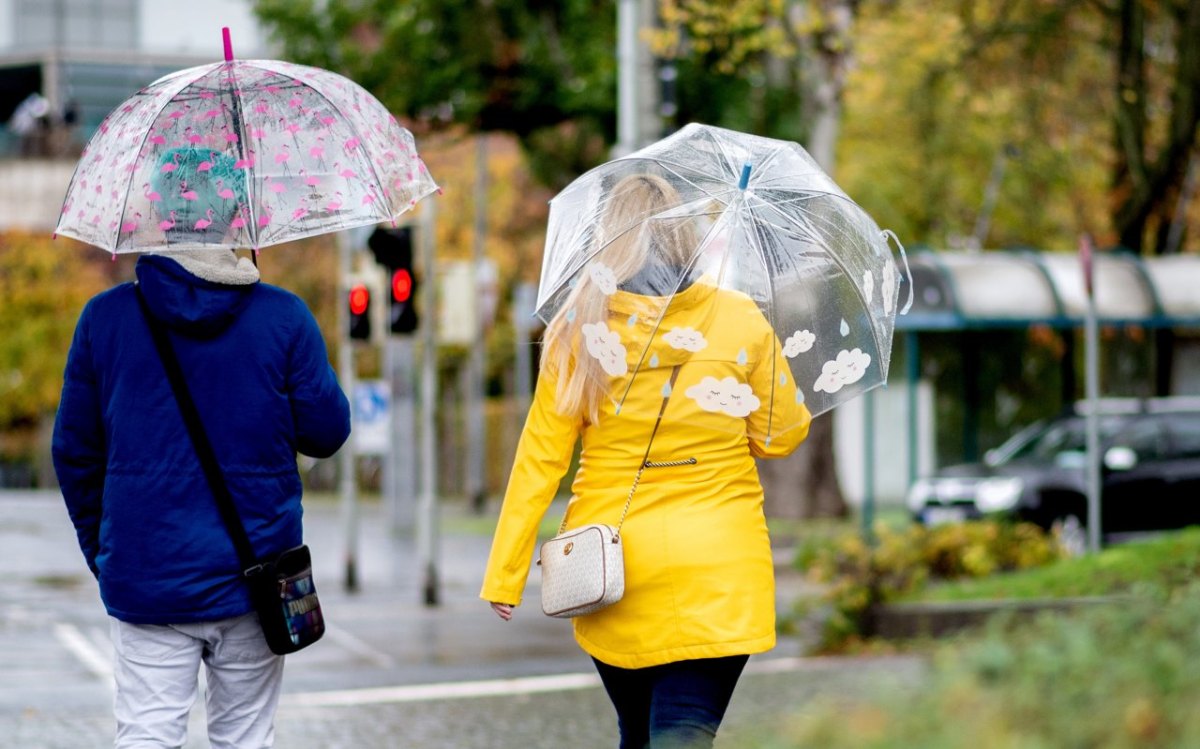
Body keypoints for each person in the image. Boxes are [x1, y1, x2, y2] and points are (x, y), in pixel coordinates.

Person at [481, 173, 813, 748]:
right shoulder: (739, 320)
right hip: (718, 568)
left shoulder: (576, 333)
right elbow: (781, 436)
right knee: (682, 733)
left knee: (635, 734)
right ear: (687, 237)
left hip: (613, 567)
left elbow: (539, 460)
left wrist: (506, 575)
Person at [52, 239, 350, 746]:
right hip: (256, 577)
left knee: (146, 734)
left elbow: (75, 453)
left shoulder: (105, 319)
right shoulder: (284, 317)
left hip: (147, 576)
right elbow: (327, 431)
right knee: (245, 738)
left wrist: (105, 553)